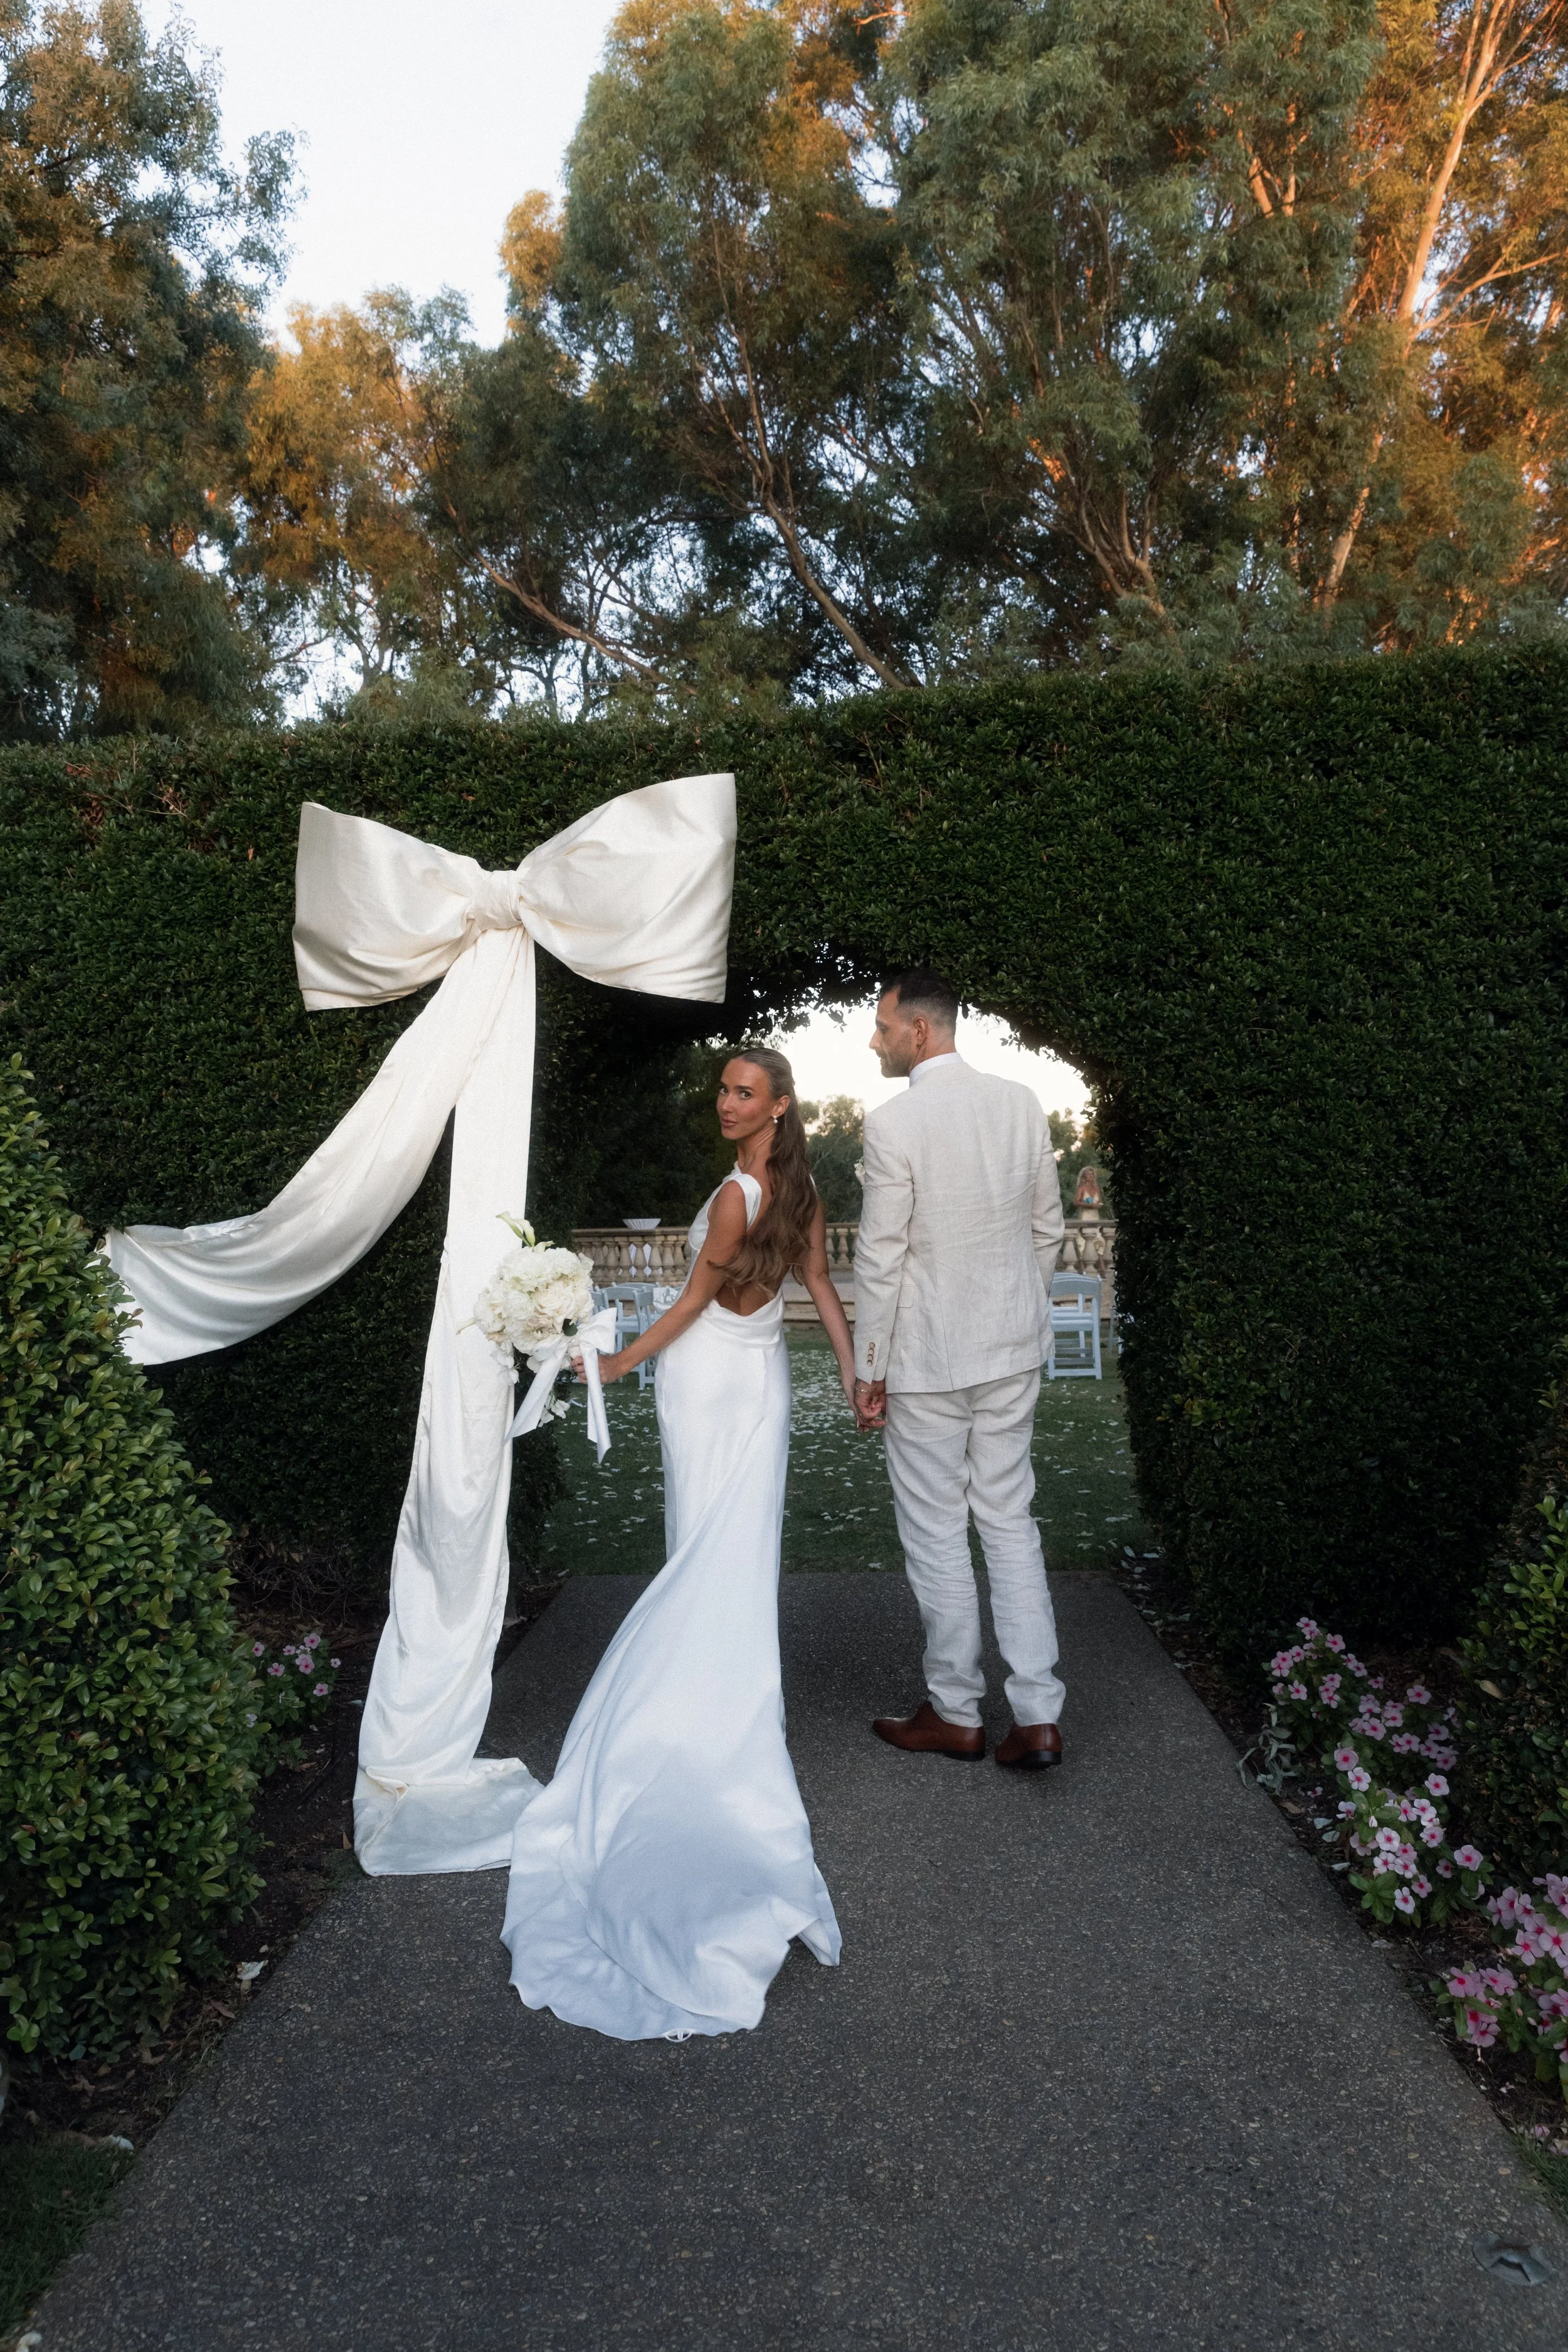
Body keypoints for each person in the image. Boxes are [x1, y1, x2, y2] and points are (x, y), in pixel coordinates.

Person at [501, 1046, 856, 2040]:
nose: (725, 1100)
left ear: (779, 1107)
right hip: (765, 1386)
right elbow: (821, 1291)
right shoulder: (802, 1191)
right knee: (731, 1552)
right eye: (725, 1088)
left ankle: (692, 1717)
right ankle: (735, 1704)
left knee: (703, 1546)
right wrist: (855, 1376)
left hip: (707, 1379)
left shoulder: (742, 1196)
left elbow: (693, 1306)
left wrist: (612, 1364)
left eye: (744, 1091)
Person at [853, 970, 1068, 1767]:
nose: (874, 1041)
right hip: (1010, 1348)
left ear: (919, 1032)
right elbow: (1045, 1231)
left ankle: (955, 1711)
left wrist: (868, 1367)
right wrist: (1015, 1310)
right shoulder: (1020, 1103)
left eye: (881, 1027)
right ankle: (1039, 1716)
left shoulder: (893, 1122)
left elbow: (881, 1256)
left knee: (939, 1532)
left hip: (929, 1360)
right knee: (1011, 1522)